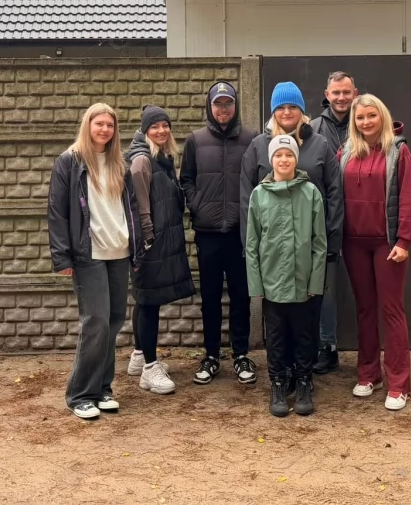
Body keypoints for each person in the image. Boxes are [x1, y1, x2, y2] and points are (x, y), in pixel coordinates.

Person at [240, 81, 343, 383]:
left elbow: (335, 194)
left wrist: (331, 240)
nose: (287, 112)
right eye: (280, 107)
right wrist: (250, 246)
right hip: (272, 251)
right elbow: (248, 196)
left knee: (310, 311)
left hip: (310, 247)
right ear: (273, 112)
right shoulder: (258, 145)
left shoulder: (320, 144)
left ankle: (309, 368)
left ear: (302, 110)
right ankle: (280, 373)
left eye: (292, 107)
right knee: (277, 318)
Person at [48, 103, 143, 420]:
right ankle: (80, 394)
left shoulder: (121, 163)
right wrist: (62, 256)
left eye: (110, 126)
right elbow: (58, 212)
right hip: (88, 254)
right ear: (88, 125)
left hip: (118, 251)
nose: (105, 130)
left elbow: (130, 209)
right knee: (96, 322)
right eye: (99, 124)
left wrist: (137, 248)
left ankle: (103, 389)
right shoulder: (69, 162)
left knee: (114, 322)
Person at [339, 94, 411, 411]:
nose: (366, 122)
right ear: (354, 123)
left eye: (371, 116)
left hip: (387, 243)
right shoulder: (344, 153)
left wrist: (404, 241)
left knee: (391, 311)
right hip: (353, 242)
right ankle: (369, 373)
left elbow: (408, 199)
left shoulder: (399, 151)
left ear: (381, 117)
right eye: (360, 118)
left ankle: (399, 383)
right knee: (365, 309)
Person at [180, 81, 257, 386]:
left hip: (240, 233)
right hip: (208, 233)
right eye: (217, 104)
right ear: (209, 107)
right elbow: (186, 180)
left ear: (235, 106)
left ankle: (240, 354)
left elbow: (258, 178)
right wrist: (198, 206)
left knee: (241, 296)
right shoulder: (195, 140)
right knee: (210, 297)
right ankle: (211, 355)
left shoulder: (251, 138)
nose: (223, 109)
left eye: (227, 104)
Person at [245, 135, 326, 417]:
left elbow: (319, 242)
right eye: (278, 155)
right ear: (271, 160)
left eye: (288, 155)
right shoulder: (259, 195)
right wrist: (256, 284)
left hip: (303, 281)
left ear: (296, 159)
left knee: (305, 335)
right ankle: (278, 383)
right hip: (272, 284)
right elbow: (252, 243)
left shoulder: (310, 193)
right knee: (277, 337)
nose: (283, 160)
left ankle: (304, 381)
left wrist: (316, 281)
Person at [124, 106, 195, 395]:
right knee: (149, 301)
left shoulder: (162, 158)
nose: (162, 131)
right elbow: (139, 206)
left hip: (158, 241)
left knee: (145, 299)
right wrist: (147, 240)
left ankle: (139, 355)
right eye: (155, 126)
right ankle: (150, 369)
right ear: (145, 130)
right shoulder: (142, 161)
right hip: (149, 243)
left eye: (166, 125)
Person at [308, 71, 358, 374]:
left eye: (346, 92)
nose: (341, 98)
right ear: (326, 94)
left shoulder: (366, 123)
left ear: (355, 93)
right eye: (336, 93)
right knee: (324, 290)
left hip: (363, 219)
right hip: (326, 222)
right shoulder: (312, 130)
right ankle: (327, 346)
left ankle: (368, 351)